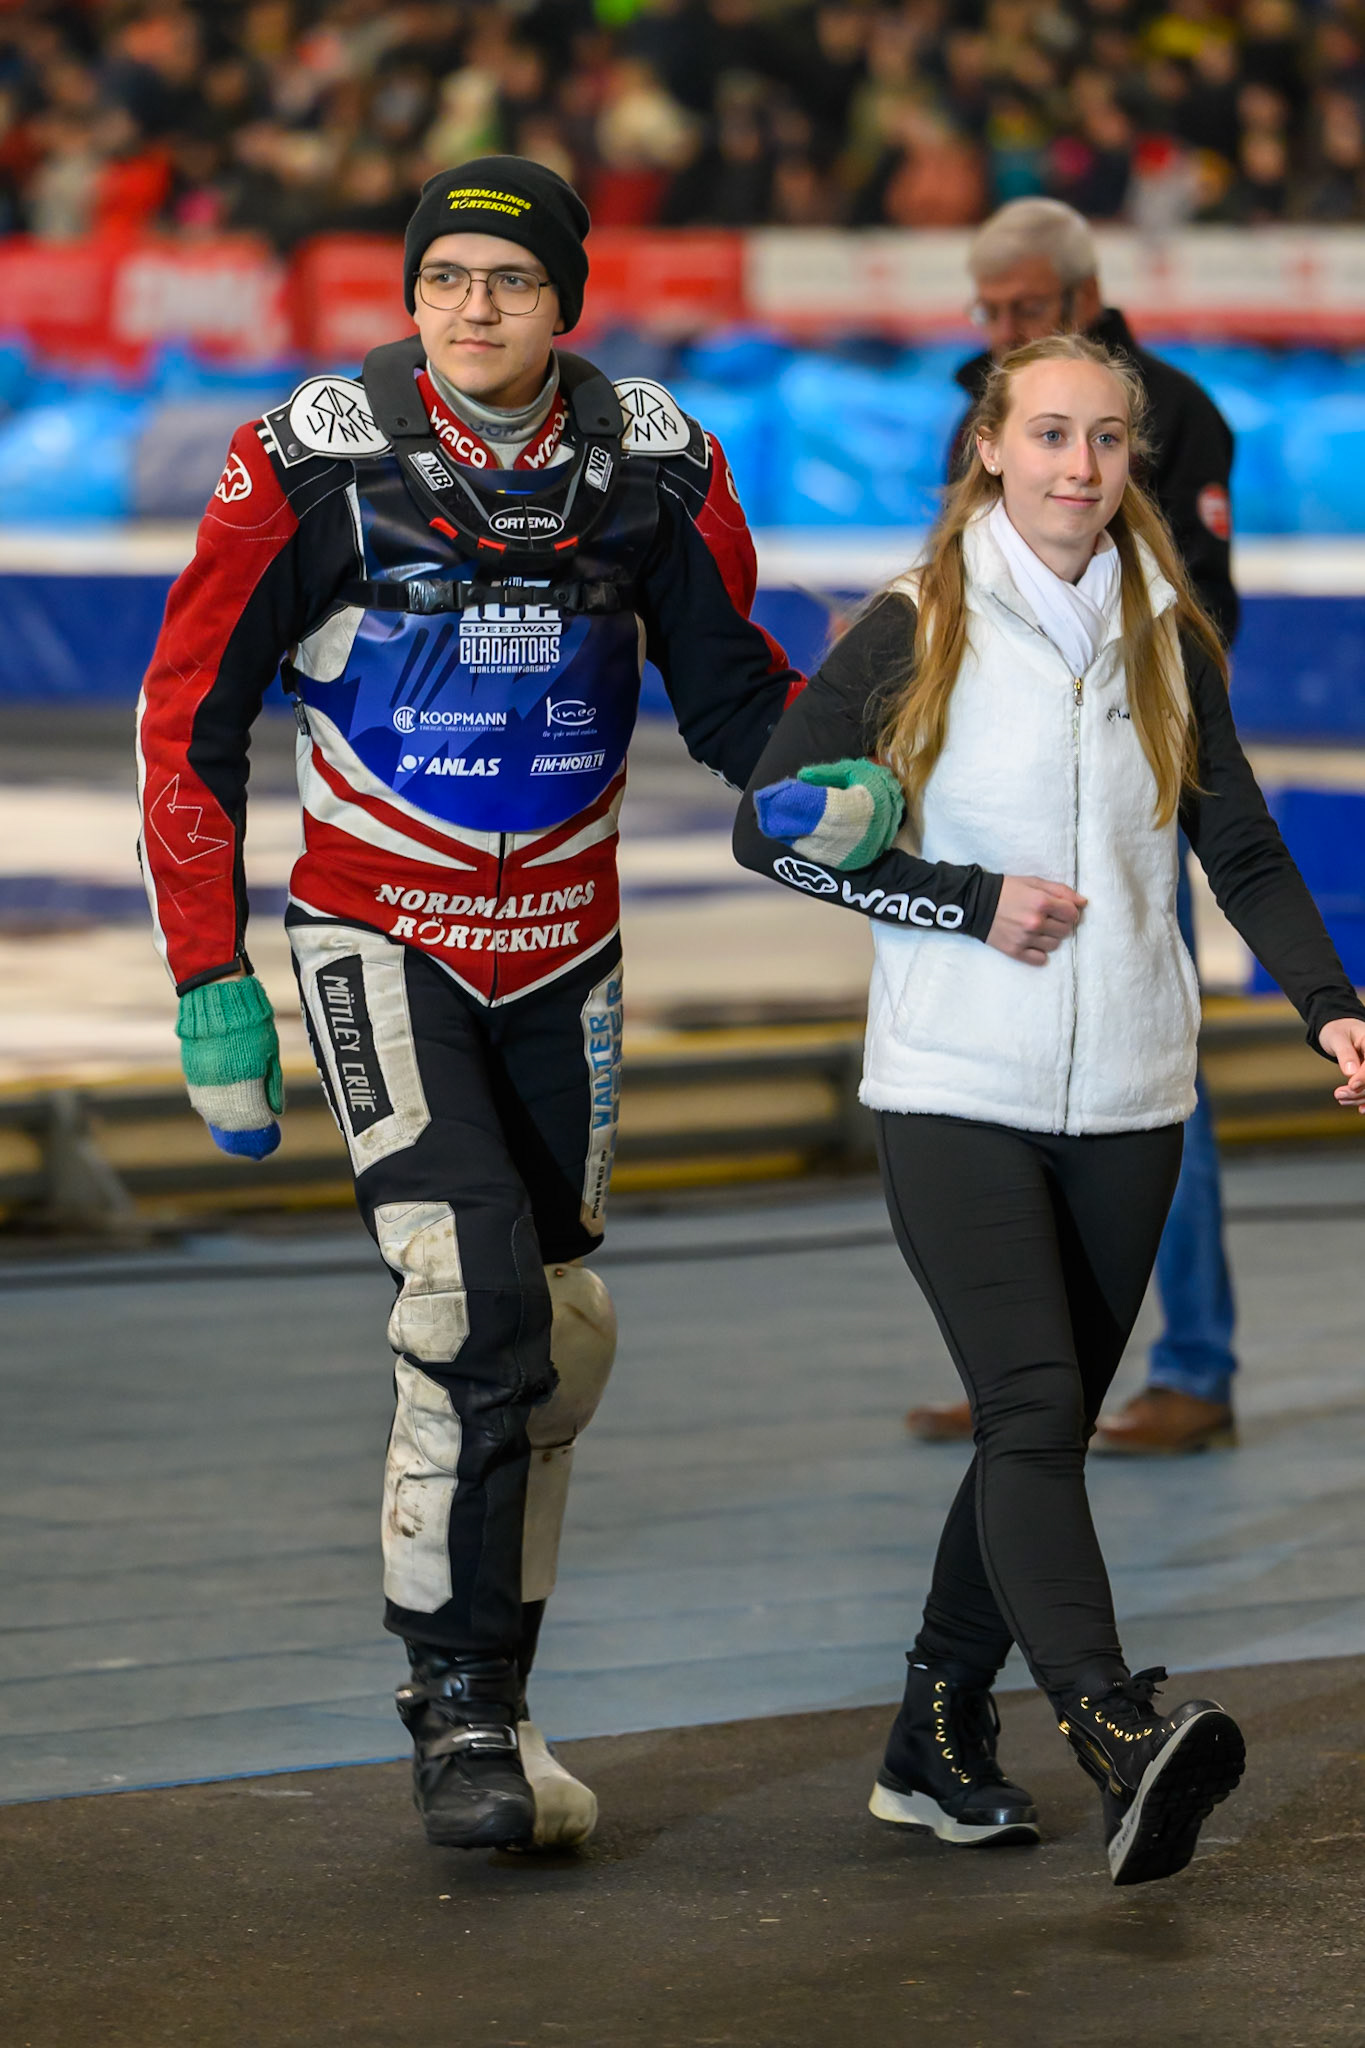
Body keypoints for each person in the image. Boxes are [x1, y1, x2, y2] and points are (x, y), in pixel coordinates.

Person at [136, 155, 801, 1855]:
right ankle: (456, 1716)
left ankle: (507, 1693)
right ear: (409, 294)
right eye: (444, 280)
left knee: (557, 1333)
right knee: (469, 1297)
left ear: (563, 298)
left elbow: (736, 695)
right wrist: (212, 973)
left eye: (507, 279)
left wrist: (829, 777)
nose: (474, 307)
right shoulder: (305, 464)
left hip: (568, 948)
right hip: (379, 936)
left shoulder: (658, 466)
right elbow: (188, 716)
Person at [733, 334, 1365, 1885]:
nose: (1077, 467)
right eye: (1047, 436)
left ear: (1129, 456)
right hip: (957, 1083)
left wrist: (1330, 1005)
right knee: (1029, 1409)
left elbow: (1247, 850)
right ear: (993, 452)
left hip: (1135, 1094)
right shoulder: (912, 626)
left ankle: (930, 1740)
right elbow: (769, 830)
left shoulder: (1167, 635)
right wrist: (959, 899)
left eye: (1103, 439)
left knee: (1046, 1424)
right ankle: (1110, 1725)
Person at [907, 196, 1242, 1457]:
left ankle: (1195, 1366)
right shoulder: (975, 417)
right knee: (985, 1092)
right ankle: (1023, 1377)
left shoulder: (1173, 413)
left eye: (1025, 311)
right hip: (997, 802)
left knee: (1163, 1080)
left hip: (1125, 799)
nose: (999, 330)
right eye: (987, 312)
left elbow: (1205, 614)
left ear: (1084, 297)